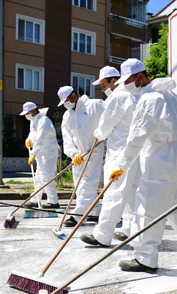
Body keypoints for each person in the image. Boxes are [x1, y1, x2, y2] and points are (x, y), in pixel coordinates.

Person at [110, 58, 177, 272]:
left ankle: (145, 258)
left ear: (140, 77)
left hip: (159, 156)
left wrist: (121, 164)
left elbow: (137, 136)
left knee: (148, 206)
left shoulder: (150, 99)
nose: (126, 85)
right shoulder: (171, 95)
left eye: (128, 80)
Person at [79, 65, 140, 247]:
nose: (103, 89)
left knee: (113, 192)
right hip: (134, 153)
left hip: (119, 152)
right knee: (131, 192)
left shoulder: (118, 97)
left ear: (115, 81)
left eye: (104, 84)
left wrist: (97, 134)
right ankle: (129, 229)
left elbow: (104, 128)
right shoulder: (134, 96)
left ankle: (103, 235)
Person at [57, 86, 105, 227]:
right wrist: (73, 153)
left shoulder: (95, 105)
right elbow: (67, 137)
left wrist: (104, 136)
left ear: (73, 96)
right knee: (79, 186)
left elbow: (110, 121)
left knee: (87, 184)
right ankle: (95, 212)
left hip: (93, 151)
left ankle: (78, 216)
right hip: (78, 156)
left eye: (67, 100)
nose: (66, 104)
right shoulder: (67, 115)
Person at [21, 102, 59, 209]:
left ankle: (53, 201)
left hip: (48, 153)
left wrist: (33, 153)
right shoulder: (34, 121)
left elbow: (40, 139)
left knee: (47, 176)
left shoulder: (44, 121)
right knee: (38, 177)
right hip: (41, 152)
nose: (26, 115)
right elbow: (32, 134)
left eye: (27, 113)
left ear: (34, 111)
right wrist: (28, 140)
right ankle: (35, 199)